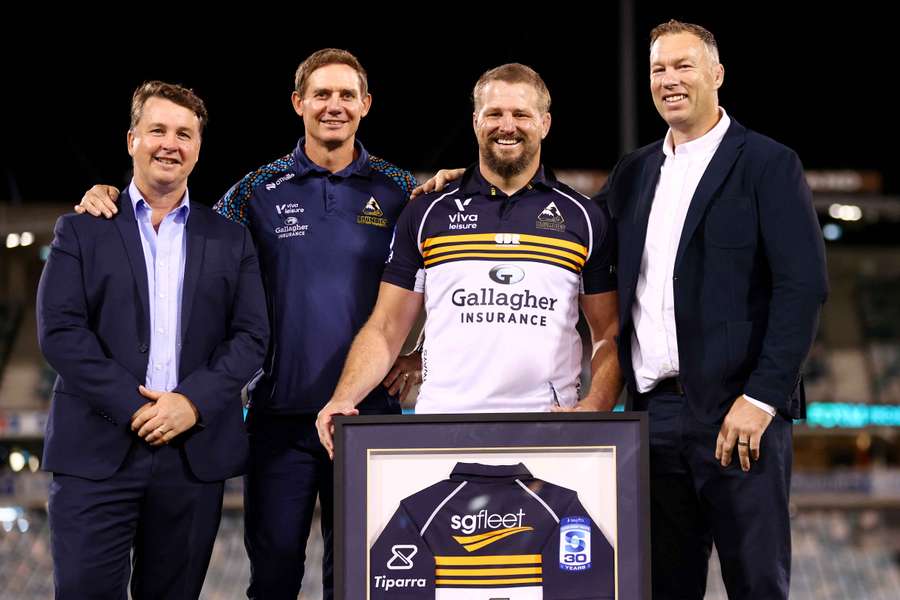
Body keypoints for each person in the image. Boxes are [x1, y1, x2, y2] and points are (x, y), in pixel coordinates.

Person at [75, 49, 419, 600]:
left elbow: (448, 272)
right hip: (277, 419)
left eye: (346, 95)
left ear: (366, 105)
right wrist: (113, 194)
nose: (334, 106)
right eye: (322, 94)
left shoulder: (404, 190)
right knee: (275, 577)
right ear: (298, 103)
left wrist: (420, 352)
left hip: (368, 417)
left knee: (362, 580)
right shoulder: (257, 190)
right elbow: (181, 233)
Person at [597, 20, 828, 599]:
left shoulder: (768, 163)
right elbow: (566, 224)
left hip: (738, 417)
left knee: (756, 586)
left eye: (683, 66)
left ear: (716, 75)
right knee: (660, 588)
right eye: (658, 69)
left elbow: (802, 286)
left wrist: (762, 398)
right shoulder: (634, 172)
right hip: (650, 417)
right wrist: (462, 184)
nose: (669, 80)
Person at [37, 81, 269, 599]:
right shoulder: (82, 229)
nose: (171, 143)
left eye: (184, 133)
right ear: (131, 140)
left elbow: (252, 337)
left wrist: (191, 402)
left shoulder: (230, 238)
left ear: (198, 148)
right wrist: (136, 407)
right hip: (95, 455)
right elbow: (60, 333)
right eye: (157, 130)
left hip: (192, 454)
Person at [316, 63, 621, 457]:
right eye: (494, 114)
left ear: (544, 123)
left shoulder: (584, 217)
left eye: (521, 115)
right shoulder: (428, 211)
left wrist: (596, 405)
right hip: (444, 429)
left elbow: (607, 334)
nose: (507, 125)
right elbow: (387, 326)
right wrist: (343, 397)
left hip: (549, 431)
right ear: (476, 121)